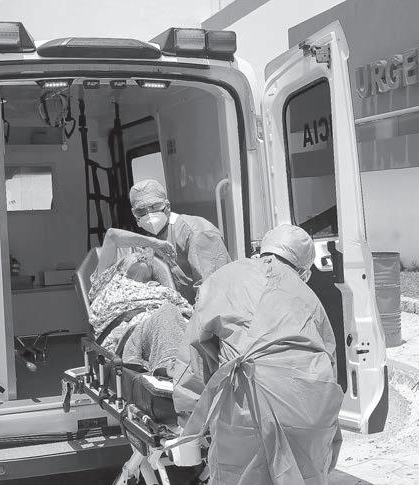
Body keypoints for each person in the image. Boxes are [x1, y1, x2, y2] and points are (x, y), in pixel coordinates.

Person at [171, 224, 344, 485]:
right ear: (304, 270)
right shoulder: (309, 297)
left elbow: (193, 355)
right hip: (310, 406)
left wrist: (188, 422)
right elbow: (329, 364)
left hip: (245, 404)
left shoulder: (224, 277)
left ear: (261, 251)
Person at [100, 179, 231, 303]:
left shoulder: (197, 232)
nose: (149, 214)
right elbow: (112, 238)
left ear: (167, 206)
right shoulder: (146, 242)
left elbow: (213, 293)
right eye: (141, 211)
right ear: (134, 215)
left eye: (155, 206)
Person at [88, 249, 192, 372]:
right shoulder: (111, 285)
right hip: (133, 333)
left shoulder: (163, 290)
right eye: (135, 257)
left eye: (144, 258)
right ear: (121, 268)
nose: (141, 258)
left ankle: (182, 364)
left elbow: (189, 311)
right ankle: (171, 366)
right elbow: (111, 239)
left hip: (176, 330)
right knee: (167, 311)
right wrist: (155, 243)